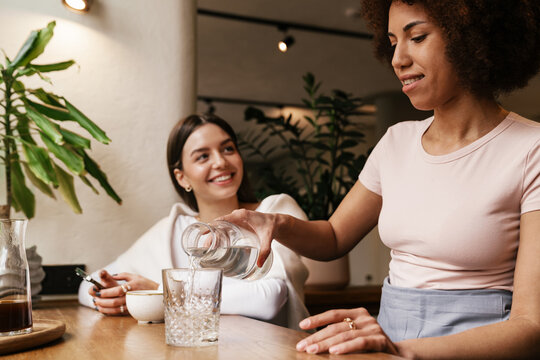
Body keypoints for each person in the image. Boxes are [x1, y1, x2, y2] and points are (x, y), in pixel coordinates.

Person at [220, 1, 540, 358]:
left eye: (416, 37)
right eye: (392, 43)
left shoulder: (531, 150)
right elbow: (334, 236)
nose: (397, 59)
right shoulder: (396, 142)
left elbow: (530, 327)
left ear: (470, 37)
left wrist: (401, 350)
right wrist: (275, 223)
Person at [78, 113, 310, 330]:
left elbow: (270, 298)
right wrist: (109, 297)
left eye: (228, 149)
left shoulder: (274, 212)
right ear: (182, 177)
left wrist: (161, 293)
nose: (220, 162)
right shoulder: (172, 229)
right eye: (203, 156)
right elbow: (88, 285)